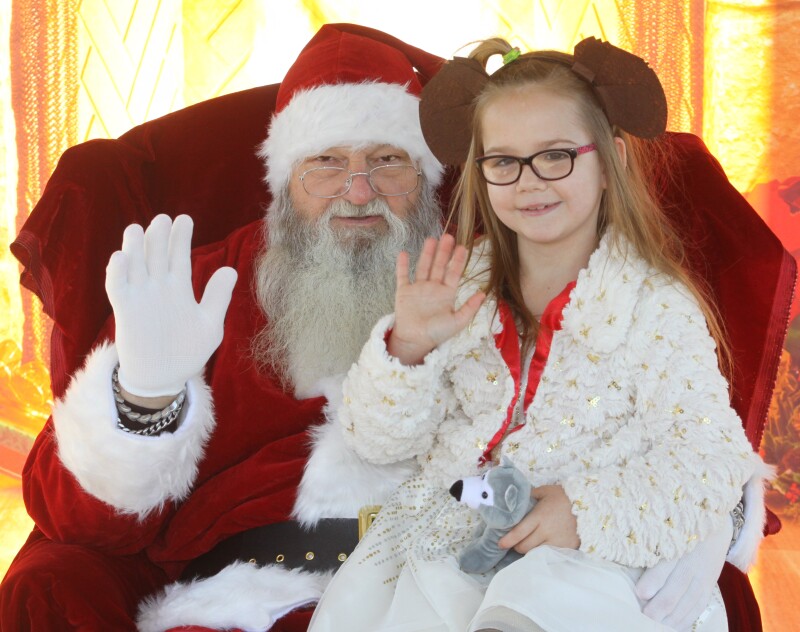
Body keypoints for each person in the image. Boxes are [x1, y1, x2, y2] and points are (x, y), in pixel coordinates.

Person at [0, 24, 774, 632]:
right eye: (326, 163)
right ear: (283, 182)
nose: (358, 189)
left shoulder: (488, 274)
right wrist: (143, 394)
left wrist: (707, 512)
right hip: (244, 601)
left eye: (387, 160)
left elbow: (648, 422)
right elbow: (72, 523)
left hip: (465, 577)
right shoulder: (204, 284)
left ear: (436, 178)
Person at [307, 37, 771, 632]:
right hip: (456, 530)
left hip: (588, 556)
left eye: (555, 155)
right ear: (480, 174)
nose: (528, 181)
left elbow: (708, 460)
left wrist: (586, 512)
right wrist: (410, 346)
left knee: (540, 601)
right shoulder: (456, 287)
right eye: (503, 161)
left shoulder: (654, 307)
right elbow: (377, 444)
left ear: (611, 163)